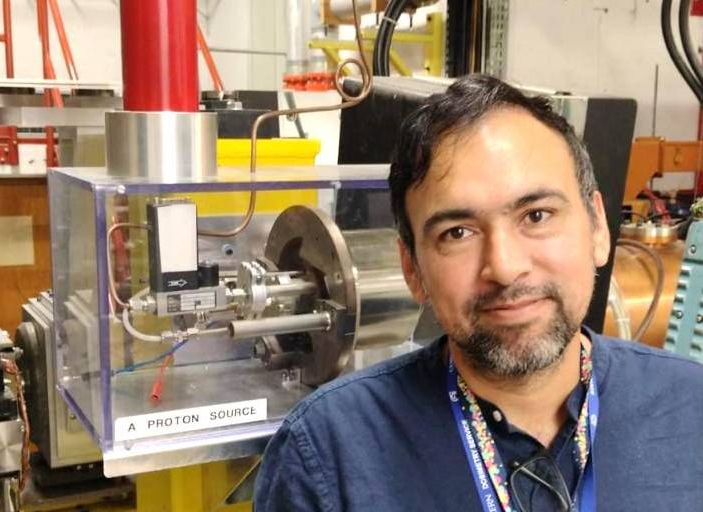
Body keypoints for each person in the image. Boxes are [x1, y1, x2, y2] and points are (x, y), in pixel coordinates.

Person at [253, 74, 703, 511]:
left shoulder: (691, 410)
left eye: (537, 215)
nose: (504, 268)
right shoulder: (329, 457)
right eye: (458, 232)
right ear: (412, 268)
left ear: (598, 228)